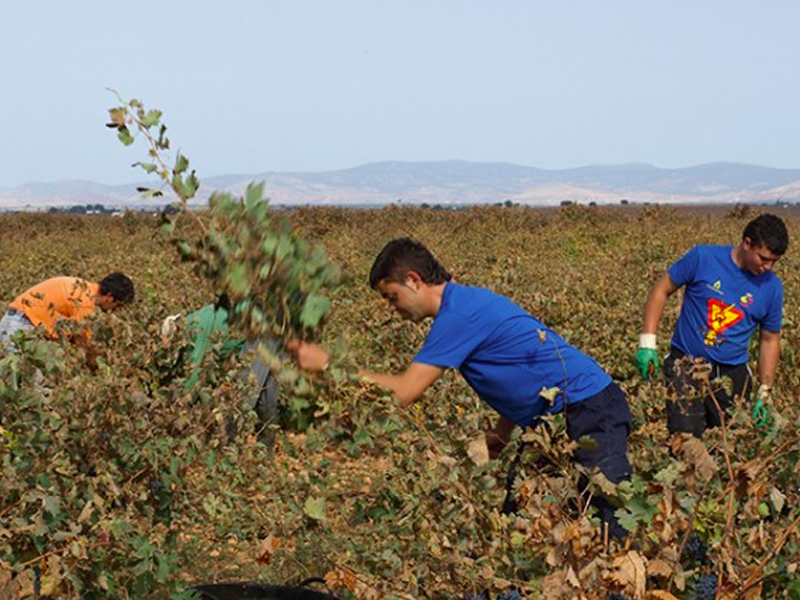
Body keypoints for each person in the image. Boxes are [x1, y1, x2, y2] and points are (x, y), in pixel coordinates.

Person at [287, 238, 633, 538]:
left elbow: (403, 393)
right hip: (555, 418)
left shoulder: (458, 317)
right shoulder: (465, 303)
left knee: (610, 525)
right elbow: (521, 366)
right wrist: (500, 435)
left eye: (391, 297)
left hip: (589, 411)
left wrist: (328, 366)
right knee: (525, 520)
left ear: (413, 280)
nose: (391, 309)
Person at [635, 213, 788, 437]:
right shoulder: (703, 257)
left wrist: (765, 391)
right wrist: (647, 343)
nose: (768, 266)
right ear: (747, 243)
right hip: (685, 365)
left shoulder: (772, 287)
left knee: (732, 441)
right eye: (763, 258)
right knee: (686, 440)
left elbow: (769, 339)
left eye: (774, 261)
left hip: (732, 374)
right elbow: (661, 289)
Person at [174, 295, 280, 447]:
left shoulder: (197, 328)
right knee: (267, 392)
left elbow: (196, 370)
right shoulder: (198, 317)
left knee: (243, 396)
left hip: (259, 332)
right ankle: (265, 452)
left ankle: (228, 450)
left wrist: (181, 403)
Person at [0, 273, 135, 364]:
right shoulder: (85, 303)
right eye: (118, 306)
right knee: (28, 386)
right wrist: (99, 370)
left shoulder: (83, 288)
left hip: (16, 322)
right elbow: (81, 345)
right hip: (21, 327)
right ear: (109, 297)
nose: (116, 311)